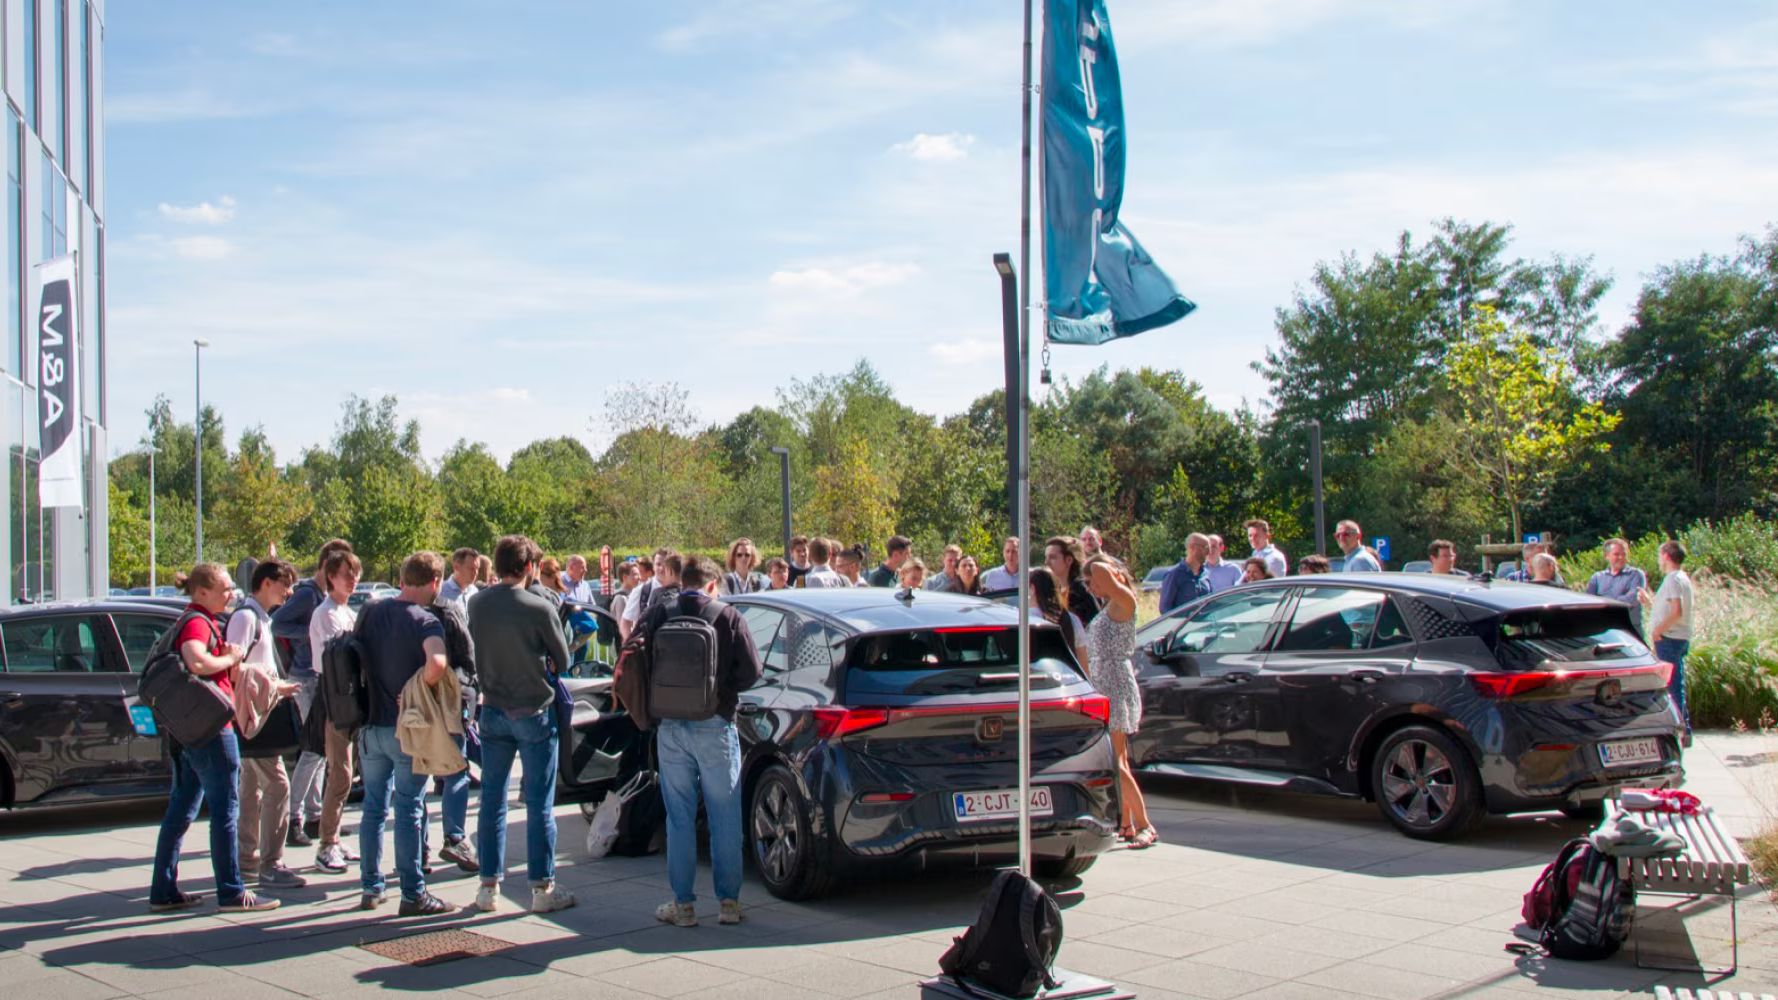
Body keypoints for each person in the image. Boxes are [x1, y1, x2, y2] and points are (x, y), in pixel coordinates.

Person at [149, 564, 280, 913]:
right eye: (224, 589)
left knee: (181, 809)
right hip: (211, 728)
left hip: (188, 729)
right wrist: (229, 657)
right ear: (202, 592)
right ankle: (232, 891)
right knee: (225, 809)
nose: (231, 594)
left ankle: (163, 890)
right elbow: (196, 661)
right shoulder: (197, 622)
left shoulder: (192, 619)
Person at [644, 557, 763, 928]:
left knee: (679, 817)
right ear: (713, 585)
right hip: (715, 723)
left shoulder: (660, 613)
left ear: (683, 582)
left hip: (670, 725)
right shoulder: (728, 617)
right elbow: (752, 672)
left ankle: (683, 906)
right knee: (724, 815)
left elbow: (641, 662)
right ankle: (728, 903)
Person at [470, 535, 576, 914]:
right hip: (533, 709)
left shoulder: (477, 603)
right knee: (539, 804)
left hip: (493, 707)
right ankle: (542, 886)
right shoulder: (539, 607)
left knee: (492, 799)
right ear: (529, 567)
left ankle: (488, 885)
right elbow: (563, 659)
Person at [355, 552, 453, 916]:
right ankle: (413, 893)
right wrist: (416, 687)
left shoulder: (370, 612)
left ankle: (371, 886)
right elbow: (437, 663)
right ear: (434, 582)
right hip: (406, 727)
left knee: (373, 808)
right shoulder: (425, 619)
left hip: (369, 725)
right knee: (409, 806)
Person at [271, 538, 354, 848]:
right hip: (307, 676)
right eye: (343, 569)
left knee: (321, 750)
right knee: (314, 749)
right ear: (328, 568)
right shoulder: (309, 595)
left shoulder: (325, 598)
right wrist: (309, 633)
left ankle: (315, 814)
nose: (349, 576)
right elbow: (277, 624)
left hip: (318, 676)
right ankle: (293, 817)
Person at [230, 559, 305, 892]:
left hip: (257, 714)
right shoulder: (247, 618)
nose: (288, 593)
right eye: (285, 585)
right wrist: (275, 686)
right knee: (278, 785)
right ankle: (270, 864)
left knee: (251, 789)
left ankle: (247, 861)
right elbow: (235, 669)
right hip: (254, 715)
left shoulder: (259, 617)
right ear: (266, 583)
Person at [1082, 555, 1155, 849]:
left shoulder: (1124, 601)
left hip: (1115, 685)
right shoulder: (1109, 605)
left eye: (1093, 582)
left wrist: (1102, 565)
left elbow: (1100, 569)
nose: (1092, 587)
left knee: (1115, 762)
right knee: (1119, 759)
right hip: (1105, 684)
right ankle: (1126, 821)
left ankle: (1145, 824)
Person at [308, 548, 362, 874]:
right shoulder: (326, 613)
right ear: (331, 577)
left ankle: (334, 838)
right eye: (346, 574)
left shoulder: (346, 611)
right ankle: (326, 843)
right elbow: (338, 657)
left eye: (355, 574)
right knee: (339, 772)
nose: (352, 580)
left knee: (346, 774)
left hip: (348, 697)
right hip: (334, 698)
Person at [1643, 541, 1694, 735]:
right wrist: (1649, 603)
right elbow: (1668, 608)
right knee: (1676, 683)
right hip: (1677, 637)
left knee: (1671, 685)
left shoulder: (1673, 579)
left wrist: (1658, 631)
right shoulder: (1681, 578)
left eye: (1660, 555)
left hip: (1670, 638)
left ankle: (1678, 728)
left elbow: (1676, 611)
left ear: (1665, 555)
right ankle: (1682, 727)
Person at [1586, 538, 1648, 633]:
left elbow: (1632, 599)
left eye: (1624, 554)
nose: (1621, 557)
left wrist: (1602, 602)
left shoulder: (1636, 574)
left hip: (1629, 631)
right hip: (1603, 630)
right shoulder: (1597, 577)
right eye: (1616, 554)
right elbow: (1589, 601)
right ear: (1606, 556)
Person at [1031, 567, 1086, 665]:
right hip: (1068, 673)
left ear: (1032, 588)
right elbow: (1083, 662)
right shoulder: (1072, 618)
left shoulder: (1024, 619)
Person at [621, 548, 676, 641]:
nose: (662, 568)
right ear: (653, 567)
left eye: (666, 564)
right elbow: (625, 622)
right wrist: (631, 645)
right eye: (658, 564)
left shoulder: (682, 589)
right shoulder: (641, 590)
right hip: (649, 647)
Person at [1044, 536, 1098, 625]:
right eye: (1046, 557)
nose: (1046, 562)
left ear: (1069, 560)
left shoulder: (1083, 591)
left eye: (1052, 557)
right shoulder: (1052, 591)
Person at [1159, 534, 1213, 615]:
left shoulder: (1206, 574)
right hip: (1184, 623)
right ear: (1192, 547)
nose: (1209, 552)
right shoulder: (1174, 575)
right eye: (1206, 548)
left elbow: (1210, 604)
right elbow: (1165, 609)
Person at [439, 548, 481, 615]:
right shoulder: (441, 592)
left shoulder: (474, 591)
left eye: (477, 568)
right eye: (471, 568)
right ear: (456, 567)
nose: (476, 572)